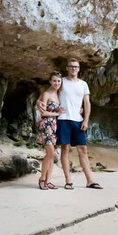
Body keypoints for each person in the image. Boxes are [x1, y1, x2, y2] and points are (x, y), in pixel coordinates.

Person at [38, 58, 102, 190]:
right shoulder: (62, 82)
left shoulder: (83, 84)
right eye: (71, 66)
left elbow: (87, 103)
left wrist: (85, 119)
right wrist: (38, 102)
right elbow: (49, 92)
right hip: (63, 120)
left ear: (79, 69)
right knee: (65, 149)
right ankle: (68, 181)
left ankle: (90, 180)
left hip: (78, 120)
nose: (74, 68)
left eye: (76, 66)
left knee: (83, 149)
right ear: (67, 68)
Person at [36, 72, 66, 190]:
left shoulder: (58, 94)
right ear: (50, 81)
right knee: (50, 153)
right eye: (54, 81)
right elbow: (43, 113)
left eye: (58, 81)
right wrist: (57, 113)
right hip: (47, 125)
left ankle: (48, 181)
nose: (57, 83)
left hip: (54, 126)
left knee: (52, 155)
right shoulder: (46, 94)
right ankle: (42, 179)